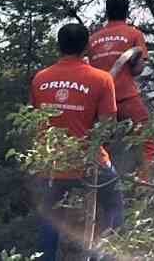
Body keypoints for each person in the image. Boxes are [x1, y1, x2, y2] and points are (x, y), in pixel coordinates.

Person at [30, 22, 123, 261]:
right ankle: (103, 256)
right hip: (89, 163)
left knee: (49, 219)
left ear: (59, 46)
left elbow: (37, 120)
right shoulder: (101, 79)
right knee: (114, 204)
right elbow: (107, 127)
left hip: (51, 165)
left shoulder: (40, 78)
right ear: (86, 47)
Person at [88, 0, 154, 182]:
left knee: (98, 147)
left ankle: (98, 192)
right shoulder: (134, 34)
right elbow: (137, 69)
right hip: (127, 99)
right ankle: (144, 188)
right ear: (127, 12)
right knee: (147, 144)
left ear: (106, 13)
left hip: (101, 103)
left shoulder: (93, 39)